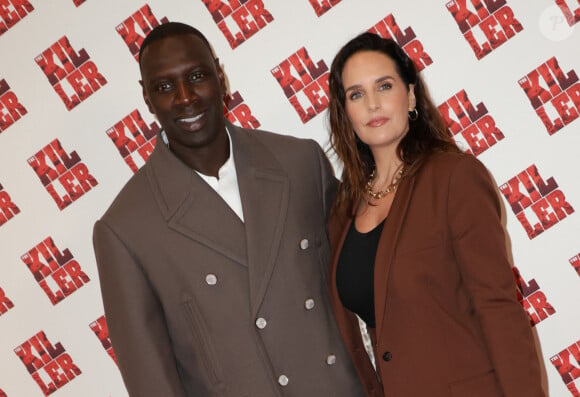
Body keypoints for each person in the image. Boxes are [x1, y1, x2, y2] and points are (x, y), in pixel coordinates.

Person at [93, 22, 367, 396]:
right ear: (146, 98)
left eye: (197, 76)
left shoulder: (300, 163)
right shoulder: (125, 230)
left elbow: (366, 283)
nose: (185, 97)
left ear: (220, 75)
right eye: (164, 87)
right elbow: (152, 383)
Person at [325, 32, 546, 397]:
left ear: (410, 95)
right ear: (345, 111)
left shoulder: (454, 178)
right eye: (356, 94)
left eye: (384, 86)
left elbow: (498, 306)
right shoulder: (344, 210)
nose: (372, 104)